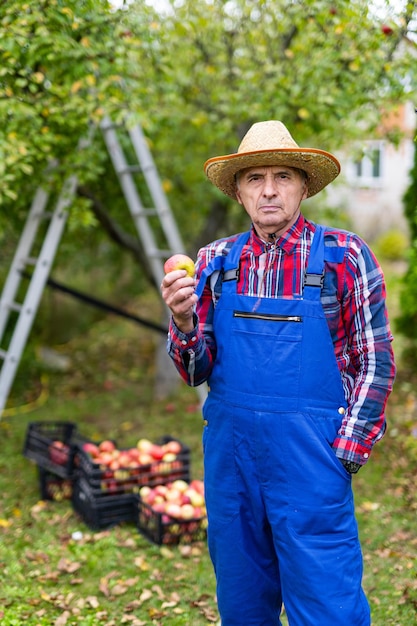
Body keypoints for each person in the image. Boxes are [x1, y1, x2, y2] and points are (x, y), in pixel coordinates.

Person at [160, 120, 396, 626]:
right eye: (255, 178)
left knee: (327, 606)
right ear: (240, 192)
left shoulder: (344, 256)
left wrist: (344, 457)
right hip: (233, 464)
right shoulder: (213, 262)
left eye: (283, 176)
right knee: (244, 605)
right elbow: (196, 368)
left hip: (312, 462)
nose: (269, 190)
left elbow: (374, 360)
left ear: (304, 186)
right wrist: (182, 322)